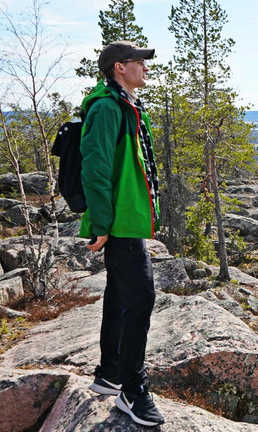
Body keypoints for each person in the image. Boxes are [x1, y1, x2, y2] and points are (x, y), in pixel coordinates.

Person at [80, 40, 164, 427]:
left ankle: (110, 373)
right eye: (139, 63)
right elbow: (94, 167)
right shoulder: (106, 107)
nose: (145, 69)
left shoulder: (124, 103)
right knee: (141, 295)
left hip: (125, 218)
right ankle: (132, 389)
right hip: (118, 221)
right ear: (119, 68)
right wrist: (100, 225)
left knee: (120, 293)